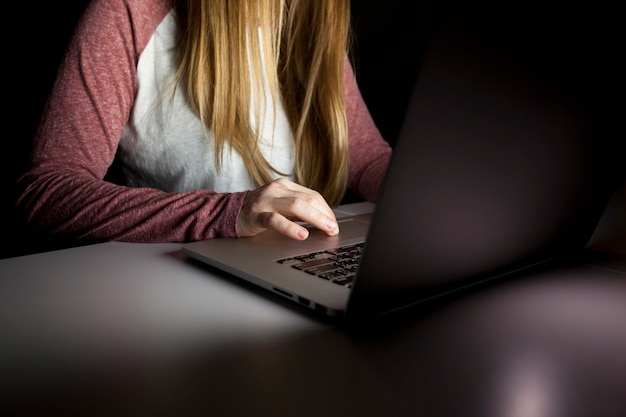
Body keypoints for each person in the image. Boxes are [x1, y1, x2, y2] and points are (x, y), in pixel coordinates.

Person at [15, 0, 392, 248]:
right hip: (170, 286)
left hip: (300, 265)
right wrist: (231, 213)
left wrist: (424, 192)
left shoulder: (307, 18)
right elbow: (48, 192)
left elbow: (367, 159)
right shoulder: (127, 12)